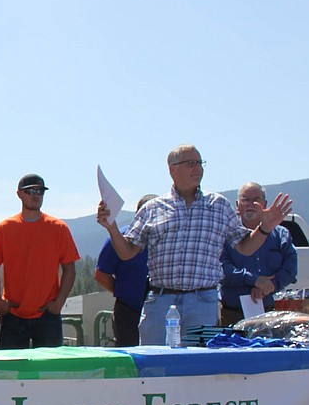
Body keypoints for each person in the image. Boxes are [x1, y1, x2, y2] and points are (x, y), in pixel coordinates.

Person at [97, 145, 291, 345]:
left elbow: (245, 247)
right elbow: (127, 252)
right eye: (190, 163)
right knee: (155, 366)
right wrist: (111, 228)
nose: (197, 168)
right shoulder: (152, 209)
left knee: (196, 366)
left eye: (200, 163)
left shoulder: (219, 205)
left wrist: (265, 227)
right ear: (172, 169)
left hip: (202, 303)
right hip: (160, 302)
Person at [0, 174, 79, 349]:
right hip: (13, 314)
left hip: (47, 316)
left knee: (49, 372)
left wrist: (58, 303)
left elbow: (70, 269)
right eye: (30, 191)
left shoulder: (58, 228)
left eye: (40, 191)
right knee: (9, 372)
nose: (36, 196)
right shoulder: (4, 229)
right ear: (19, 194)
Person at [219, 182, 297, 326]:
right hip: (231, 315)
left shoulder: (281, 235)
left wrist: (268, 286)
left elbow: (290, 269)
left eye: (256, 199)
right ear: (237, 205)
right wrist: (253, 280)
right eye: (245, 200)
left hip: (268, 315)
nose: (250, 204)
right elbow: (221, 269)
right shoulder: (225, 235)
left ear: (265, 203)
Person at [94, 194, 155, 347]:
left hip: (161, 308)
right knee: (129, 358)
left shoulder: (166, 238)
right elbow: (101, 275)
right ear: (137, 214)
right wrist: (123, 292)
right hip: (129, 310)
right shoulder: (119, 238)